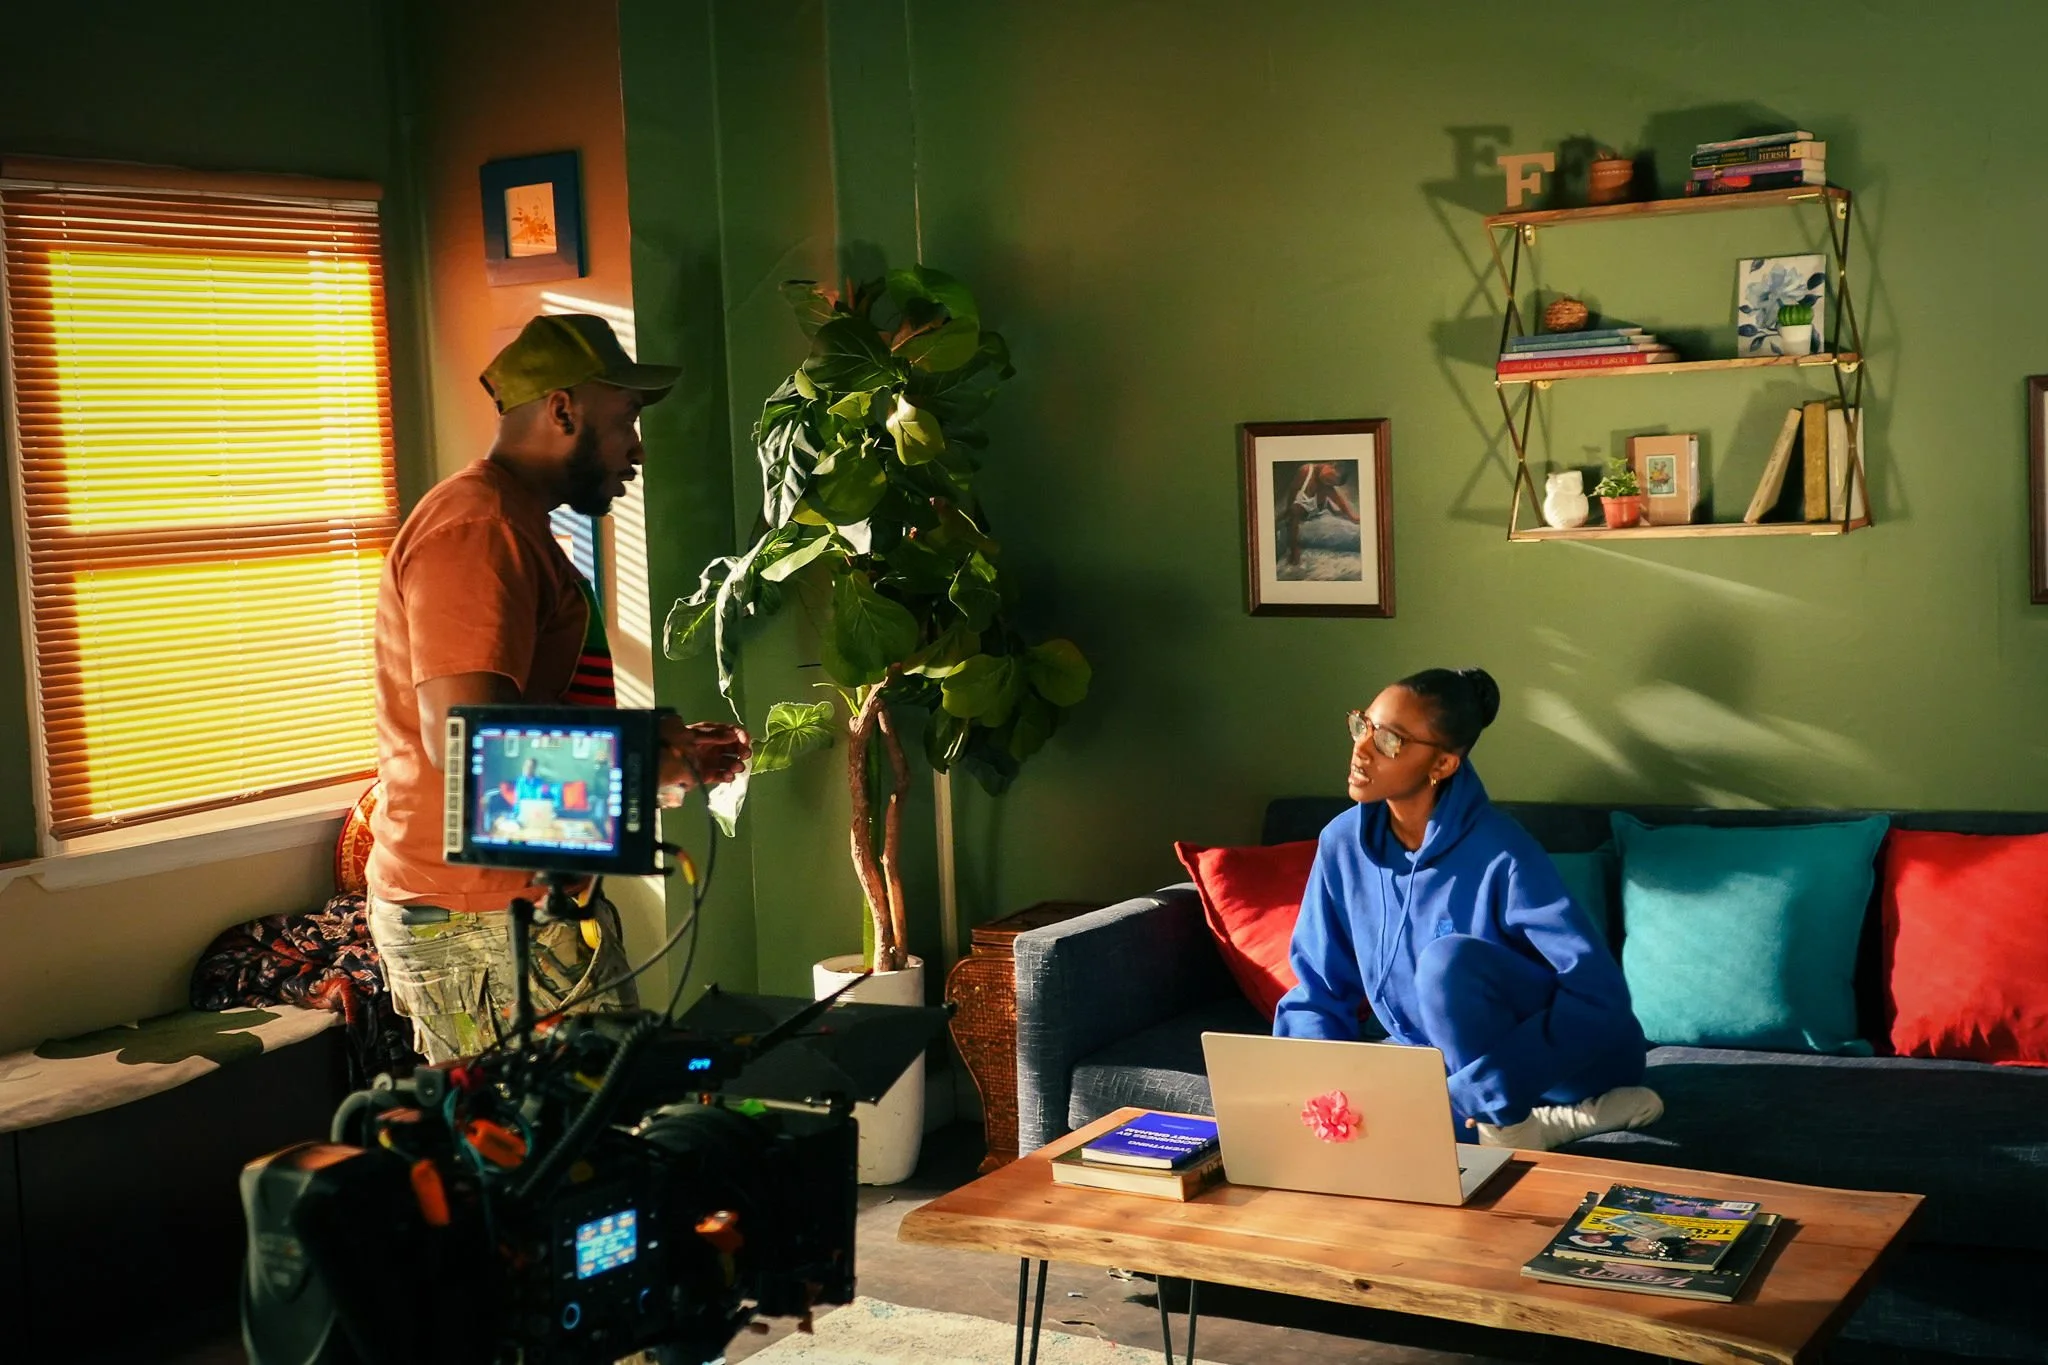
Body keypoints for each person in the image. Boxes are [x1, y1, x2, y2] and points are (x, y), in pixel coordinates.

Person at [366, 313, 750, 1063]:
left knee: (596, 1148)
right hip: (479, 914)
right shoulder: (481, 531)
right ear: (563, 410)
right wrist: (642, 766)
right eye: (627, 418)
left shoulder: (514, 521)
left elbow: (515, 720)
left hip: (512, 903)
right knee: (569, 1158)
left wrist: (658, 749)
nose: (637, 445)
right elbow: (469, 745)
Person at [1273, 666, 1661, 1151]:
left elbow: (1599, 999)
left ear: (1442, 766)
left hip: (1577, 1061)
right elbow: (1320, 988)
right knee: (1370, 1124)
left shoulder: (1503, 851)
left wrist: (1479, 1089)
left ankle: (1519, 1118)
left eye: (1390, 741)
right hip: (1453, 1065)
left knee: (1447, 961)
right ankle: (1542, 1125)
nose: (1363, 749)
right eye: (1362, 725)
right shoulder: (1342, 844)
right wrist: (1321, 1089)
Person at [1281, 462, 1360, 568]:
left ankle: (1332, 510)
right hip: (1300, 509)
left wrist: (1354, 517)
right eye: (1329, 479)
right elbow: (1292, 492)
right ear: (1331, 465)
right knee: (1294, 511)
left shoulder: (1327, 487)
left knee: (1341, 510)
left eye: (1332, 483)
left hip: (1317, 509)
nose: (1328, 483)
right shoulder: (1306, 471)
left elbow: (1344, 507)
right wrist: (1294, 548)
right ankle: (1294, 548)